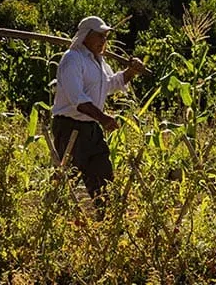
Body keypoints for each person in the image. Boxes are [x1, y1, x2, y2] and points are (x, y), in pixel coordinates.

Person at [50, 15, 147, 202]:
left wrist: (131, 72)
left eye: (106, 37)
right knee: (64, 182)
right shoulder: (72, 60)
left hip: (91, 129)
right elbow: (77, 99)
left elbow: (111, 84)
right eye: (100, 36)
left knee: (103, 179)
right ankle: (49, 221)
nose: (104, 41)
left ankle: (106, 223)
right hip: (70, 128)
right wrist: (103, 118)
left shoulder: (99, 62)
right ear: (86, 36)